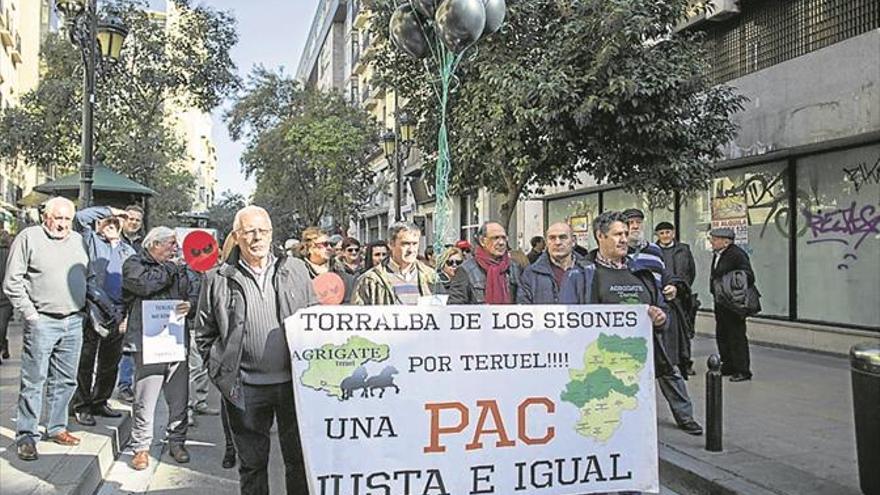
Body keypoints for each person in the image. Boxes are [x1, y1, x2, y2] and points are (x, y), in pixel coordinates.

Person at [196, 206, 317, 493]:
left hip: (294, 386)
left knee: (299, 461)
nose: (256, 238)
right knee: (252, 465)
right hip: (245, 389)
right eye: (249, 231)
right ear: (237, 236)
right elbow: (204, 332)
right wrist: (220, 371)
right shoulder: (217, 278)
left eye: (262, 231)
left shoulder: (296, 270)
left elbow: (313, 319)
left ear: (271, 234)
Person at [560, 211, 703, 436]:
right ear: (600, 236)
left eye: (626, 233)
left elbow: (661, 309)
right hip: (603, 359)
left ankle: (685, 417)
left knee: (670, 376)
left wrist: (661, 317)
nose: (624, 239)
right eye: (617, 234)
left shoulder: (641, 272)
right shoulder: (582, 273)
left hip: (645, 349)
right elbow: (568, 316)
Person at [3, 197, 90, 460]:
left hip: (73, 320)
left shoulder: (78, 240)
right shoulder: (29, 238)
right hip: (42, 319)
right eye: (58, 218)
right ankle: (27, 435)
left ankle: (57, 427)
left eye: (67, 219)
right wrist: (30, 313)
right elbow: (12, 281)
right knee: (34, 380)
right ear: (46, 217)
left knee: (65, 379)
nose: (63, 224)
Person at [122, 226, 198, 470]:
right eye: (170, 244)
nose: (175, 249)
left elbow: (196, 293)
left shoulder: (181, 268)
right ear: (154, 244)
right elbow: (143, 286)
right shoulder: (135, 263)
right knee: (145, 397)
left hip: (176, 341)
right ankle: (141, 447)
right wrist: (170, 269)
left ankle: (177, 441)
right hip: (148, 342)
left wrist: (190, 304)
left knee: (179, 397)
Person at [70, 206, 136, 426]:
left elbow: (133, 284)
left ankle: (100, 401)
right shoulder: (91, 241)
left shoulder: (128, 250)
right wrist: (111, 211)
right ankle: (81, 405)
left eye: (115, 224)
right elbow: (81, 217)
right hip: (93, 309)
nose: (111, 226)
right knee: (86, 360)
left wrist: (127, 314)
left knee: (110, 362)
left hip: (118, 312)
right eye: (108, 222)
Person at [709, 227, 756, 382]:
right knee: (722, 334)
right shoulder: (717, 254)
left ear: (726, 241)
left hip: (733, 302)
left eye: (715, 239)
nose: (712, 242)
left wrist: (730, 283)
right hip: (721, 300)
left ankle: (742, 370)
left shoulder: (736, 254)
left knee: (736, 335)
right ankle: (728, 365)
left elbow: (747, 275)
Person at [352, 222, 437, 305]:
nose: (411, 250)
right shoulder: (370, 280)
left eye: (415, 244)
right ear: (391, 244)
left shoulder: (431, 276)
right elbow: (358, 315)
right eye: (405, 244)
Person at [655, 221, 698, 375]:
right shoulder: (653, 251)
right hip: (661, 296)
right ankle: (666, 361)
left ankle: (685, 361)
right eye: (661, 233)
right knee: (665, 330)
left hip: (681, 297)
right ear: (657, 235)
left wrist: (681, 288)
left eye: (668, 232)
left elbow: (690, 271)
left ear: (673, 233)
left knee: (684, 331)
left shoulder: (683, 249)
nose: (665, 236)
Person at [448, 222, 520, 304]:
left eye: (504, 238)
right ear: (482, 241)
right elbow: (454, 308)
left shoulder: (514, 267)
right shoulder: (465, 270)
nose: (501, 243)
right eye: (495, 238)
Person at [116, 204, 145, 403]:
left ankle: (125, 385)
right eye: (130, 218)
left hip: (133, 298)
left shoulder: (144, 244)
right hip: (113, 298)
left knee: (130, 346)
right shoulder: (114, 239)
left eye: (137, 220)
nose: (133, 222)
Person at [518, 222, 585, 304]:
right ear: (546, 242)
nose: (557, 242)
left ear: (573, 241)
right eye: (552, 238)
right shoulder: (530, 274)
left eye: (563, 237)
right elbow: (524, 308)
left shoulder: (589, 271)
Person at [301, 227, 357, 303]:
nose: (330, 248)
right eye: (325, 244)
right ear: (310, 248)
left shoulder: (344, 275)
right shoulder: (299, 275)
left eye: (330, 244)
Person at [0, 229, 13, 364]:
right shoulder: (11, 255)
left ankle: (3, 346)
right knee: (2, 326)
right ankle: (4, 345)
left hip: (5, 297)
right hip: (6, 298)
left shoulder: (10, 255)